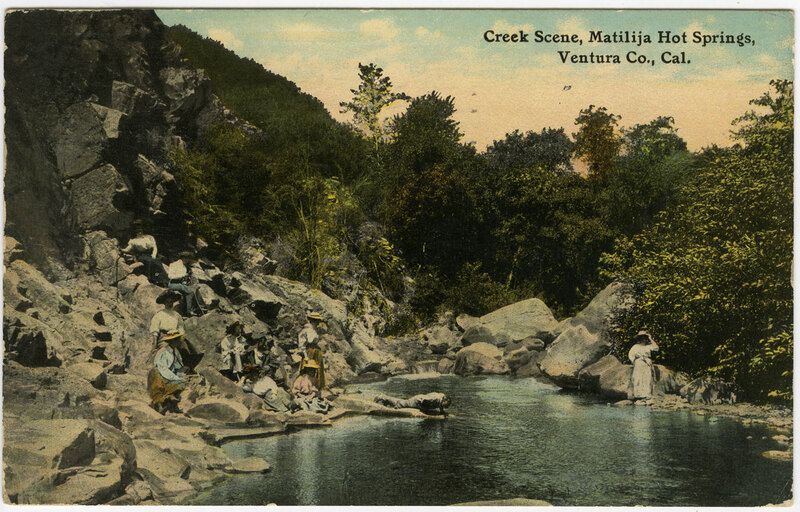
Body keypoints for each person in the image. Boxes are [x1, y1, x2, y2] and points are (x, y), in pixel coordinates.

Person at [147, 331, 186, 413]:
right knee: (158, 387)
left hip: (169, 373)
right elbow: (162, 367)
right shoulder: (163, 351)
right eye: (177, 340)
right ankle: (159, 405)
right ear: (173, 341)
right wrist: (174, 377)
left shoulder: (176, 352)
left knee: (181, 383)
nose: (179, 342)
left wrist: (182, 371)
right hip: (158, 373)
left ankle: (173, 405)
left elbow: (178, 366)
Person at [628, 330, 660, 401]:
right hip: (639, 362)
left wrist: (650, 338)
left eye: (645, 337)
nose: (643, 339)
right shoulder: (635, 346)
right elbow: (630, 355)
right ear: (639, 339)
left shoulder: (648, 346)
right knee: (638, 377)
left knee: (647, 377)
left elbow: (656, 348)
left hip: (647, 363)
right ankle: (638, 395)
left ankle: (646, 394)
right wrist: (635, 361)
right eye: (641, 337)